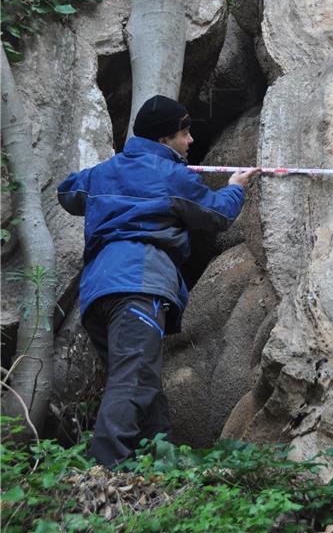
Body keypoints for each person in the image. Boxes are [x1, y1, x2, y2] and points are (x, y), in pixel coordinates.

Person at [57, 95, 259, 468]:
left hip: (98, 292)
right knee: (133, 379)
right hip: (140, 284)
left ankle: (159, 463)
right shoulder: (173, 175)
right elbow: (216, 214)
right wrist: (236, 185)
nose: (191, 141)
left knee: (142, 379)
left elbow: (68, 192)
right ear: (166, 139)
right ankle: (103, 470)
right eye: (185, 133)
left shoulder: (104, 173)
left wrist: (112, 178)